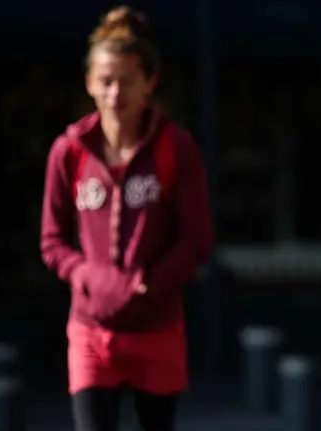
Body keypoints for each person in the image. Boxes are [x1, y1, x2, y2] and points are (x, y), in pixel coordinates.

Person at [40, 6, 213, 431]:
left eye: (127, 81)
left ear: (149, 82)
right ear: (89, 83)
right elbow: (52, 241)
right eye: (106, 81)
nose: (115, 94)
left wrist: (150, 285)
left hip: (157, 328)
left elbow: (196, 239)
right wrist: (90, 278)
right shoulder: (69, 151)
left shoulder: (175, 147)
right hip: (91, 330)